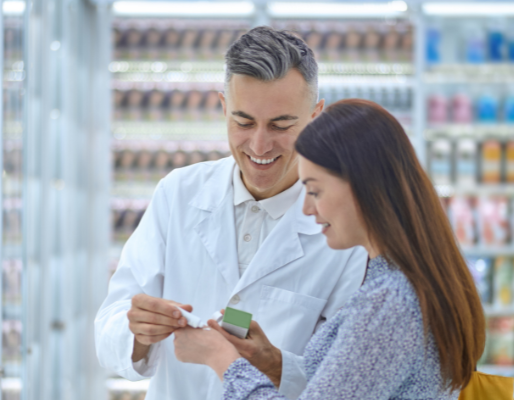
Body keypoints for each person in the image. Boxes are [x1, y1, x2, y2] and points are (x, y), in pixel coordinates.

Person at [95, 27, 368, 400]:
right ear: (223, 107)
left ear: (315, 116)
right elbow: (110, 327)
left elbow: (349, 381)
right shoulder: (178, 193)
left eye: (281, 125)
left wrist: (274, 363)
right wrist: (138, 332)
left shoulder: (345, 227)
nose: (259, 144)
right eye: (243, 122)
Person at [173, 99, 487, 399]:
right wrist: (270, 360)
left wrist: (221, 359)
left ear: (365, 186)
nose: (307, 209)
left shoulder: (388, 302)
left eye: (314, 190)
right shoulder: (399, 281)